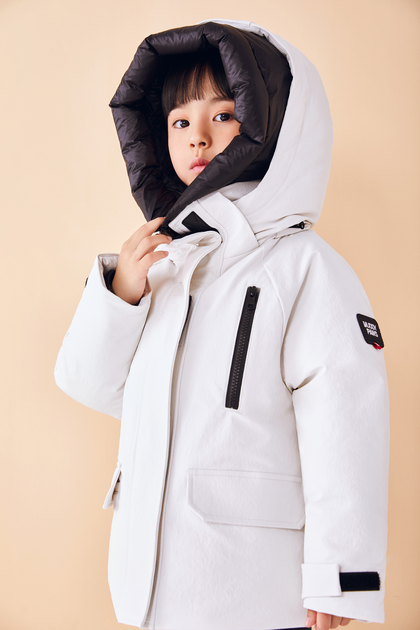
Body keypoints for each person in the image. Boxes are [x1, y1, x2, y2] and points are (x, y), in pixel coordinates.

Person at [54, 19, 389, 630]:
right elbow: (91, 385)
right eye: (180, 121)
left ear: (269, 123)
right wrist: (121, 294)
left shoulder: (303, 266)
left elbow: (346, 423)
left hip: (255, 588)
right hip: (151, 584)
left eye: (224, 114)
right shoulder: (164, 264)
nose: (199, 137)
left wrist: (340, 576)